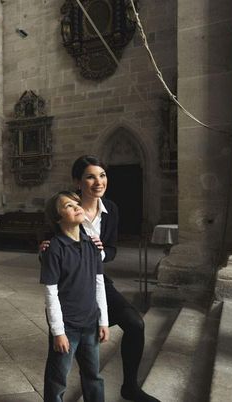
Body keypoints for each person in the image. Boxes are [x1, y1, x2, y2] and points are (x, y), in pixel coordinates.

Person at [42, 155, 159, 402]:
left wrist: (100, 251)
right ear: (77, 181)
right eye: (91, 176)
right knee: (62, 350)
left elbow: (112, 249)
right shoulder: (64, 207)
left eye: (103, 175)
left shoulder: (111, 209)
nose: (99, 181)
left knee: (135, 324)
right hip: (71, 285)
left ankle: (130, 387)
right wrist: (44, 249)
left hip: (97, 277)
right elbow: (48, 243)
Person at [41, 191, 109, 402]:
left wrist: (103, 320)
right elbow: (51, 293)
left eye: (77, 203)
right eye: (68, 206)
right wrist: (58, 332)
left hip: (90, 322)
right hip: (67, 325)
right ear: (58, 217)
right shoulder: (54, 249)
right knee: (58, 377)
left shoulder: (92, 244)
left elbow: (99, 284)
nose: (77, 207)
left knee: (93, 375)